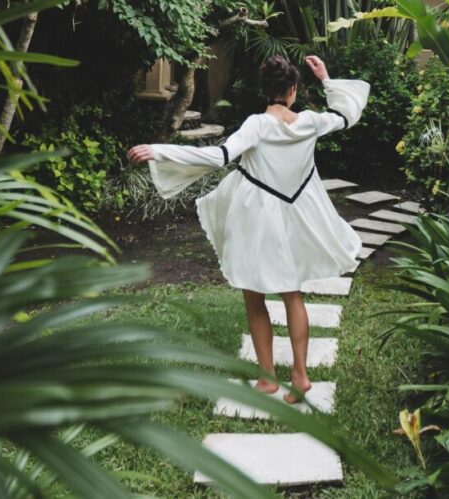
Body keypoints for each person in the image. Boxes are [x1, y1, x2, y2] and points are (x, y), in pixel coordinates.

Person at [127, 54, 369, 403]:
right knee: (293, 293)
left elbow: (220, 156)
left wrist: (162, 151)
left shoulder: (257, 123)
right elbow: (347, 114)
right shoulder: (310, 122)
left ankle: (268, 379)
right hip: (296, 216)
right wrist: (327, 78)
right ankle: (300, 376)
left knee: (254, 295)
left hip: (257, 218)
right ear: (293, 90)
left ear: (264, 91)